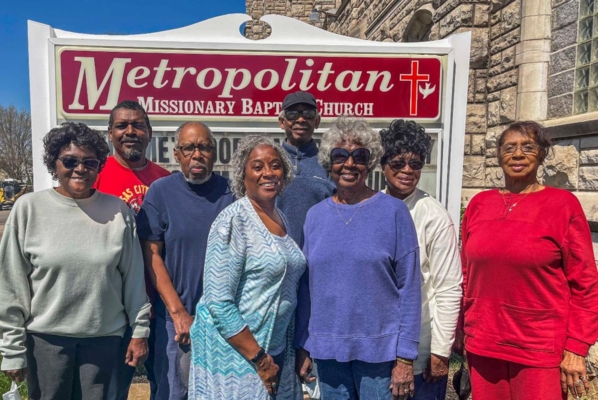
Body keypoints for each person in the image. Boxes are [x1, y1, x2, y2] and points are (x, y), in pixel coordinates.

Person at [0, 122, 151, 400]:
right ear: (54, 163)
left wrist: (140, 330)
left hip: (105, 340)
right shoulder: (28, 209)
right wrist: (11, 349)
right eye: (70, 161)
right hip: (46, 342)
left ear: (98, 166)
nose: (80, 168)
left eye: (89, 162)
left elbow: (133, 279)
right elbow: (11, 286)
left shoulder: (117, 211)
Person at [458, 121, 598, 400]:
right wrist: (461, 329)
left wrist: (577, 347)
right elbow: (465, 275)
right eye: (509, 148)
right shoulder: (479, 204)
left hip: (540, 348)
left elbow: (586, 282)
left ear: (542, 154)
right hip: (484, 343)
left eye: (528, 147)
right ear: (498, 155)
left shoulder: (562, 205)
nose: (518, 155)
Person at [296, 117, 421, 400]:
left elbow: (410, 288)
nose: (350, 164)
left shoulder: (394, 212)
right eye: (340, 155)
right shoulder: (315, 216)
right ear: (330, 161)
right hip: (328, 352)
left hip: (379, 354)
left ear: (371, 161)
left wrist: (405, 357)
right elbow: (306, 287)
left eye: (360, 156)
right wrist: (302, 344)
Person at [188, 135, 305, 400]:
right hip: (237, 353)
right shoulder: (233, 221)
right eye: (258, 166)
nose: (268, 173)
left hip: (273, 347)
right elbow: (218, 301)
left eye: (275, 165)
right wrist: (259, 358)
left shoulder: (280, 217)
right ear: (243, 176)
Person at [137, 122, 234, 400]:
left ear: (214, 153)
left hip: (223, 318)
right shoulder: (161, 192)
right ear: (177, 153)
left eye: (204, 147)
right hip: (178, 317)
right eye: (189, 148)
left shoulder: (232, 193)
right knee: (174, 391)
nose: (197, 154)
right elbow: (152, 254)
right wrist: (179, 314)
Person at [380, 119, 462, 400]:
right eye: (398, 161)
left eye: (415, 164)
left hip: (420, 355)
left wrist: (440, 351)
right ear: (382, 164)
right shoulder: (370, 207)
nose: (407, 170)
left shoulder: (433, 215)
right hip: (377, 352)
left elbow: (448, 288)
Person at [94, 100, 170, 400]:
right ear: (110, 133)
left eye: (138, 125)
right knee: (111, 391)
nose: (130, 131)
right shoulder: (95, 176)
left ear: (149, 133)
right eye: (122, 125)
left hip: (160, 305)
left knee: (167, 386)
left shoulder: (166, 180)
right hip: (114, 309)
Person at [276, 91, 335, 244]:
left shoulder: (329, 162)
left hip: (318, 256)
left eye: (308, 114)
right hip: (277, 260)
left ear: (317, 121)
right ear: (282, 122)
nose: (301, 119)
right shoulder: (270, 162)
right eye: (292, 114)